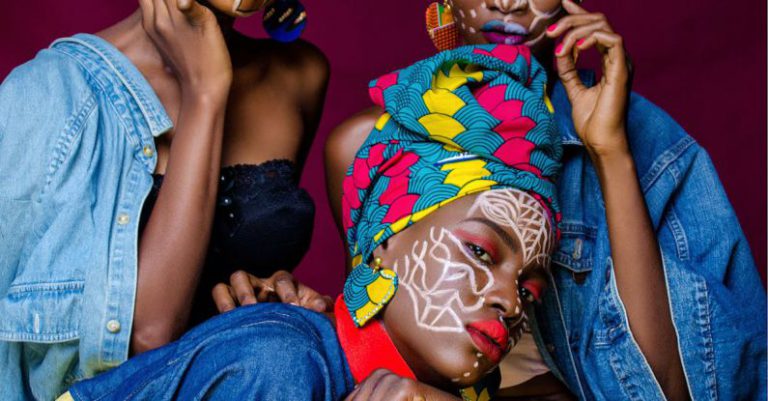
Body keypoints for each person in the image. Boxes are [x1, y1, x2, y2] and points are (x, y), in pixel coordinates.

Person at [60, 44, 561, 401]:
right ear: (384, 241)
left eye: (531, 290)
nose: (511, 301)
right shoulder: (281, 367)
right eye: (479, 251)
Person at [324, 0, 767, 400]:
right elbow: (372, 337)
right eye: (480, 251)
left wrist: (611, 153)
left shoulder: (656, 152)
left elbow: (669, 393)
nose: (509, 3)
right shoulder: (370, 146)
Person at [0, 0, 329, 399]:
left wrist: (272, 298)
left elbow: (245, 266)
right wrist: (205, 94)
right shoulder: (48, 94)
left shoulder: (298, 75)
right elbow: (151, 337)